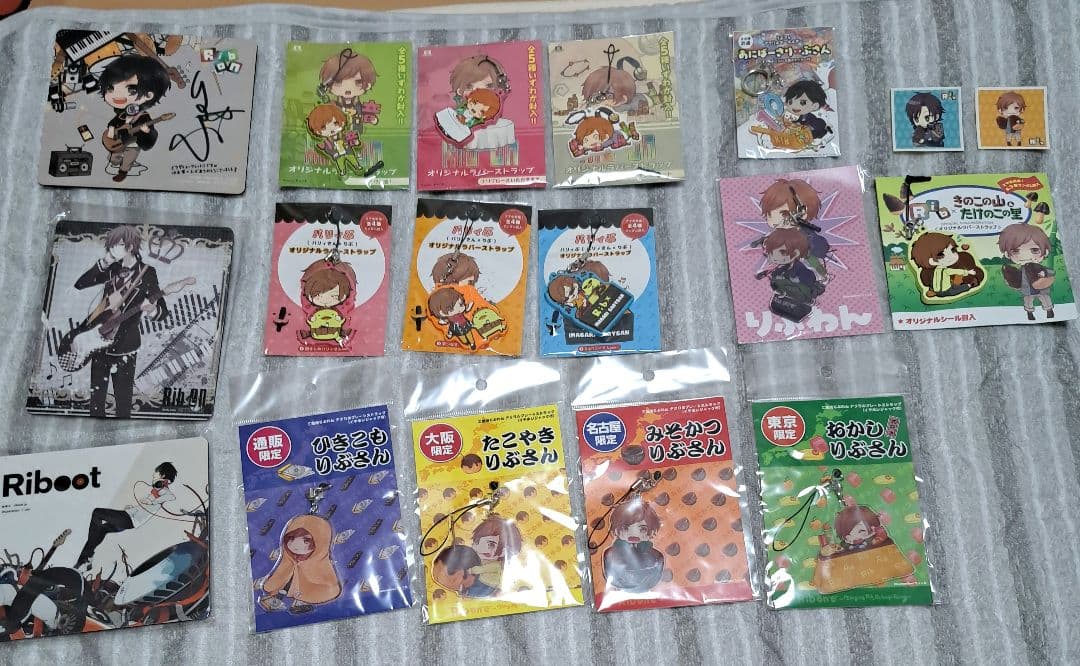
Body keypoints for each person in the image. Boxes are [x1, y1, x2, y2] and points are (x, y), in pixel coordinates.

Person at [75, 225, 169, 418]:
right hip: (99, 345)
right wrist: (105, 261)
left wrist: (152, 311)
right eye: (110, 246)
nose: (112, 249)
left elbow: (163, 312)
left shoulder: (147, 272)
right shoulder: (112, 269)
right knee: (96, 405)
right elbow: (80, 284)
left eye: (116, 245)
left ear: (130, 246)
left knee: (124, 404)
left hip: (126, 347)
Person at [74, 462, 177, 571]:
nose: (153, 475)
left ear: (163, 476)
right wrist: (132, 508)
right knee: (101, 529)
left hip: (129, 520)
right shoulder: (156, 491)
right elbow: (143, 508)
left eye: (155, 473)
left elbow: (172, 497)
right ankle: (85, 562)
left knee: (97, 513)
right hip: (128, 517)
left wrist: (153, 500)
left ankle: (87, 556)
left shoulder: (164, 492)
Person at [98, 54, 171, 182]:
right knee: (114, 155)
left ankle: (123, 171)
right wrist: (111, 128)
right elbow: (115, 122)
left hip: (132, 142)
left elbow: (150, 138)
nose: (117, 95)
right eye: (110, 88)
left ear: (149, 95)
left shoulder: (143, 116)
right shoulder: (122, 112)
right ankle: (114, 163)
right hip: (118, 141)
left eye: (131, 90)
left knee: (130, 154)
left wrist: (147, 132)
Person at [998, 223, 1055, 320]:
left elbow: (1050, 272)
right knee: (1028, 301)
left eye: (1034, 250)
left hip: (1041, 288)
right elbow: (1018, 277)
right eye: (1016, 251)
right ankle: (1029, 313)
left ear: (1045, 252)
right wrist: (1012, 279)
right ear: (1007, 254)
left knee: (1045, 298)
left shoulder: (1039, 266)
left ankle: (1049, 311)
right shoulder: (1022, 269)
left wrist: (1044, 273)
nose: (1025, 256)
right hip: (1027, 289)